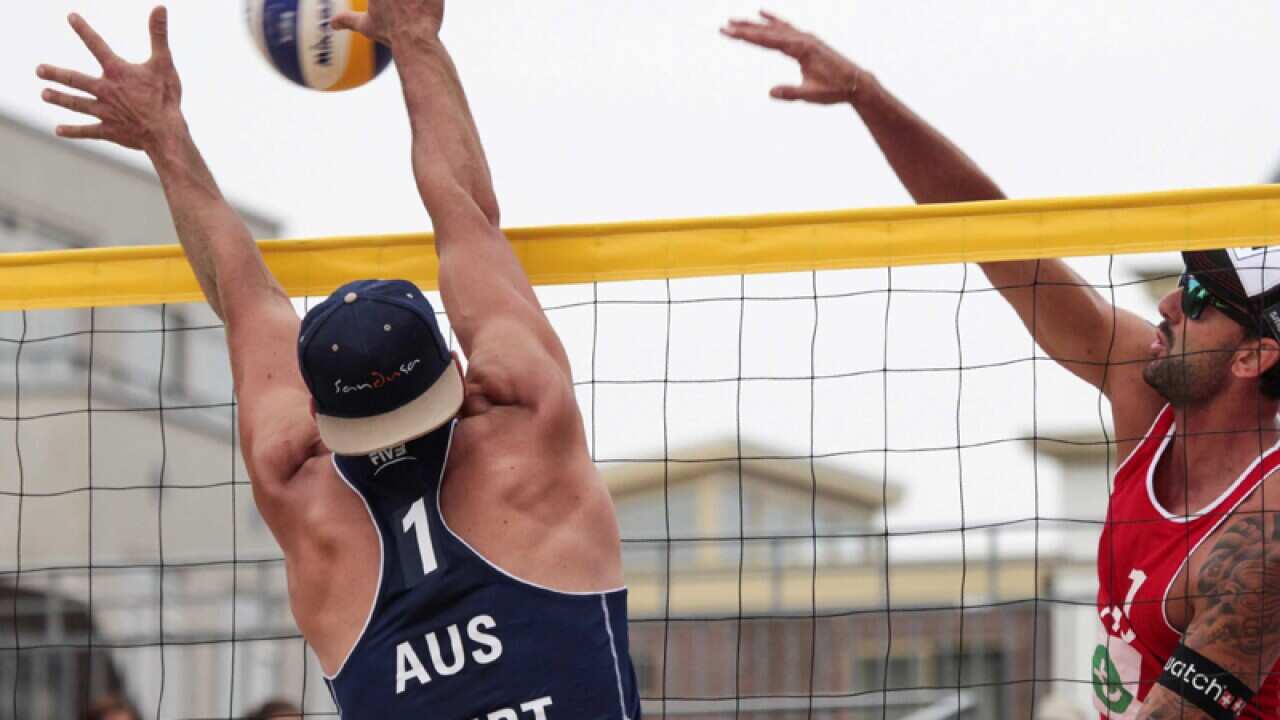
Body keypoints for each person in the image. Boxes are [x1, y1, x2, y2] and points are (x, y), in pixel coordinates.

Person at [37, 3, 640, 718]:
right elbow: (466, 210)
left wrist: (165, 138)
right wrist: (415, 37)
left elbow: (247, 302)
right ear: (453, 364)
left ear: (322, 414)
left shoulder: (304, 499)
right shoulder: (527, 431)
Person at [723, 11, 1280, 720]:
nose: (1168, 302)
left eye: (1200, 299)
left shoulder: (1265, 527)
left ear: (1256, 356)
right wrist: (866, 93)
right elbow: (993, 234)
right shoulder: (1148, 399)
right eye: (1180, 278)